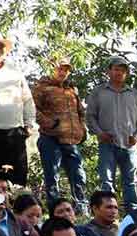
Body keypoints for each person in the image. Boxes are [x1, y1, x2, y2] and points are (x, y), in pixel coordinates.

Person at [86, 56, 137, 213]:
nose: (119, 73)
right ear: (109, 71)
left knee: (131, 181)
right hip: (108, 144)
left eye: (123, 70)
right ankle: (108, 213)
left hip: (129, 145)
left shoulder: (134, 94)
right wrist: (99, 133)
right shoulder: (99, 92)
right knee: (107, 180)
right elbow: (90, 116)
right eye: (116, 69)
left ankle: (133, 215)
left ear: (126, 73)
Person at [32, 57, 87, 210]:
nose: (63, 72)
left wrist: (82, 129)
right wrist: (48, 123)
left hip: (71, 140)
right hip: (50, 138)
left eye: (66, 70)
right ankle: (55, 211)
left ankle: (81, 209)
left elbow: (81, 112)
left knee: (78, 175)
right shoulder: (42, 87)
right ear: (52, 69)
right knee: (52, 177)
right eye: (60, 69)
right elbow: (32, 108)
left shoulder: (71, 90)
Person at [0, 32, 35, 187]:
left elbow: (27, 99)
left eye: (0, 46)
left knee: (18, 176)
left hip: (15, 133)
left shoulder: (15, 71)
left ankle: (17, 209)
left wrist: (29, 125)